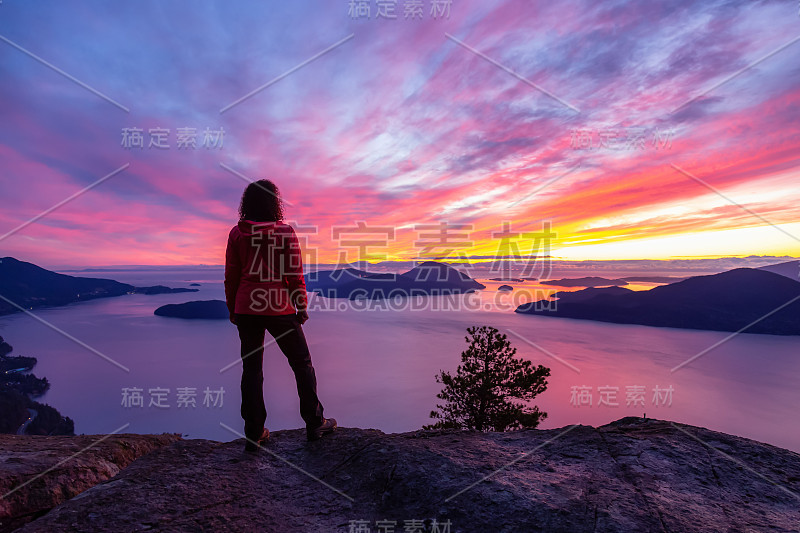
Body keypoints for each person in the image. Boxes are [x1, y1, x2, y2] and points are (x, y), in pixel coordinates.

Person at [224, 179, 336, 453]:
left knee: (252, 369)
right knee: (302, 364)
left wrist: (232, 310)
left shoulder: (237, 234)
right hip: (279, 307)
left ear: (246, 204)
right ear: (275, 203)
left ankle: (254, 432)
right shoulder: (285, 232)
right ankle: (314, 422)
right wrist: (301, 306)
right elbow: (294, 274)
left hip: (246, 308)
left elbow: (231, 277)